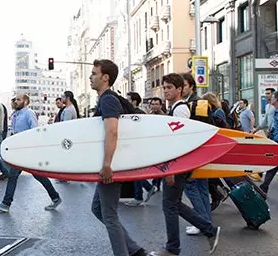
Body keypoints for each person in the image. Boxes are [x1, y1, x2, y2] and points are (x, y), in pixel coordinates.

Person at [150, 73, 220, 256]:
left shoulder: (180, 110)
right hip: (176, 165)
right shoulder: (175, 108)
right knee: (174, 204)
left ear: (179, 89)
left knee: (169, 205)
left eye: (169, 87)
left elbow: (179, 142)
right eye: (164, 87)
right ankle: (209, 229)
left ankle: (173, 248)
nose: (165, 91)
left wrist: (171, 170)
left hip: (176, 166)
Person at [88, 59, 148, 256]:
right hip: (113, 162)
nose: (91, 76)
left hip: (112, 163)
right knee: (98, 209)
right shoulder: (108, 98)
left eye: (94, 73)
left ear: (105, 78)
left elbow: (112, 131)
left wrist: (107, 164)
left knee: (109, 214)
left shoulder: (108, 100)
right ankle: (136, 251)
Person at [0, 93, 62, 213]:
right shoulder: (16, 115)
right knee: (19, 175)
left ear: (26, 102)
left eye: (19, 99)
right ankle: (55, 197)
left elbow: (36, 132)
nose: (16, 101)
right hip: (18, 150)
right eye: (15, 99)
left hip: (28, 150)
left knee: (36, 175)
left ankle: (7, 203)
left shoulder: (29, 114)